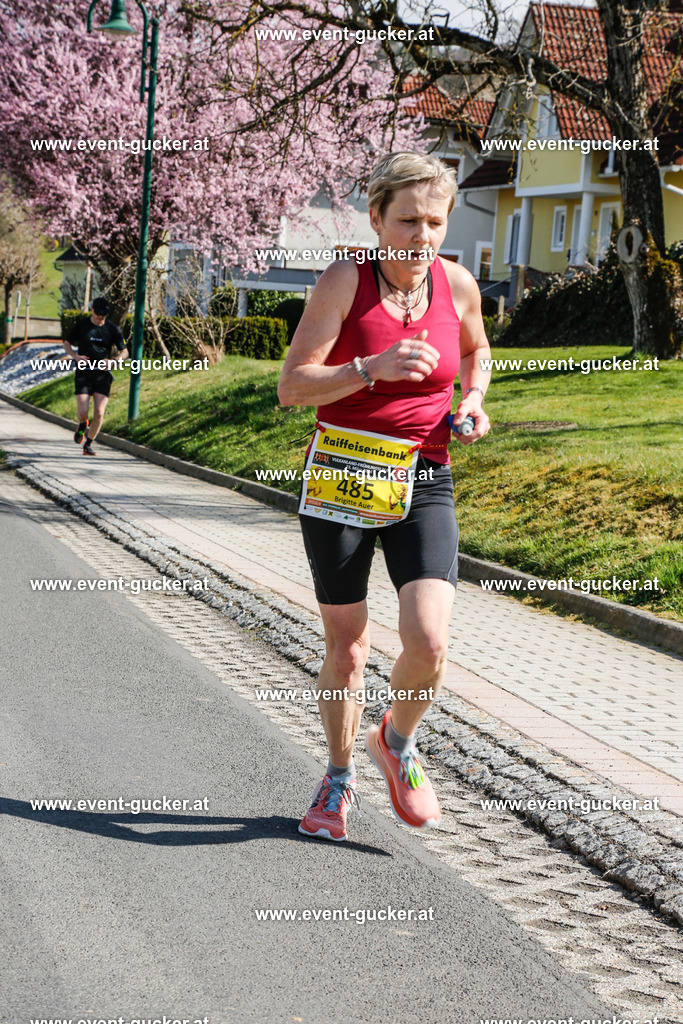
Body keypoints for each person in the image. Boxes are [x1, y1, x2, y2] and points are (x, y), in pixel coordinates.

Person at [278, 151, 492, 842]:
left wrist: (474, 402)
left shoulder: (457, 284)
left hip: (424, 476)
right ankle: (336, 780)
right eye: (406, 221)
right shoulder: (345, 279)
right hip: (342, 473)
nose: (420, 236)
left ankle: (394, 742)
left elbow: (476, 350)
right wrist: (369, 368)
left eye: (434, 222)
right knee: (347, 646)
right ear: (375, 218)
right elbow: (293, 386)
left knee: (428, 640)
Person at [62, 297, 129, 456]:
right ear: (92, 310)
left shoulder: (112, 329)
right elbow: (66, 343)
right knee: (83, 411)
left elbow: (125, 351)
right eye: (98, 314)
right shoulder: (82, 326)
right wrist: (75, 356)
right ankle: (82, 424)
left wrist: (114, 361)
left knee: (99, 413)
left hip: (103, 374)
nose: (100, 317)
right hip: (84, 372)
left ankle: (88, 444)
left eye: (104, 315)